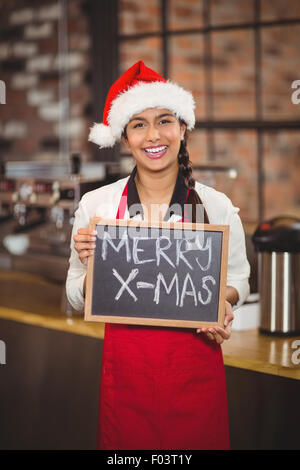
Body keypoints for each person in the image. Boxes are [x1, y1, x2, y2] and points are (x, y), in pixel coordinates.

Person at [66, 60, 250, 450]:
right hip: (127, 388)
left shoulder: (215, 207)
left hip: (196, 384)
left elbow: (238, 281)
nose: (154, 135)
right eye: (138, 124)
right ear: (125, 137)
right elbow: (74, 294)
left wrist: (223, 302)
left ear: (183, 128)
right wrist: (90, 266)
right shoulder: (97, 206)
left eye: (165, 121)